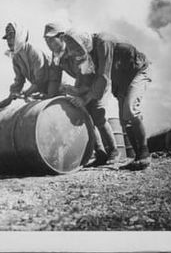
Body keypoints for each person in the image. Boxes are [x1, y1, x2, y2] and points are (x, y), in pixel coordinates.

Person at [62, 30, 152, 171]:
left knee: (130, 109)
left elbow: (103, 77)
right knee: (124, 119)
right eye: (72, 50)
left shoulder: (104, 42)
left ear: (83, 41)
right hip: (120, 81)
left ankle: (145, 155)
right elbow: (90, 78)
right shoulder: (88, 54)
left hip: (137, 71)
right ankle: (138, 158)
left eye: (77, 48)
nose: (75, 52)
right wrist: (76, 91)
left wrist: (85, 99)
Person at [44, 23, 120, 166]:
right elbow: (54, 79)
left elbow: (86, 73)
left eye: (51, 39)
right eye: (46, 40)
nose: (48, 43)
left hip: (97, 81)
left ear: (61, 37)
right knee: (84, 115)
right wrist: (49, 99)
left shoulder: (75, 46)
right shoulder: (56, 56)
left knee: (97, 113)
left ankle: (114, 151)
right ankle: (100, 152)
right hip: (83, 83)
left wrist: (81, 95)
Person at [0, 22, 52, 108]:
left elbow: (40, 80)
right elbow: (19, 81)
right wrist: (9, 99)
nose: (8, 41)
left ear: (20, 35)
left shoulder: (34, 52)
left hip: (55, 89)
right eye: (7, 38)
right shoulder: (16, 58)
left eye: (11, 36)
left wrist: (26, 92)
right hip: (42, 92)